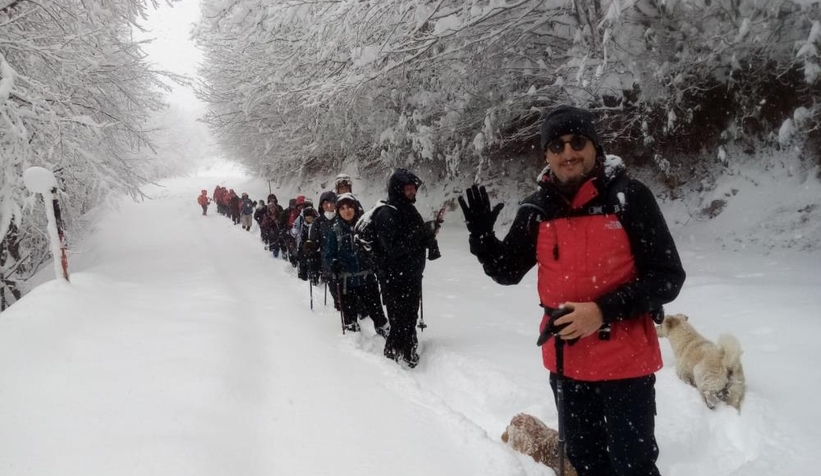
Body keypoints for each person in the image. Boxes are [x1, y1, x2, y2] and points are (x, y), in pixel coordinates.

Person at [458, 105, 686, 476]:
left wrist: (602, 310)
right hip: (568, 364)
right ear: (546, 155)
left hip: (626, 363)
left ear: (595, 146)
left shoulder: (628, 198)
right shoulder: (537, 209)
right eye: (557, 145)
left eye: (577, 142)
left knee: (634, 467)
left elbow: (667, 277)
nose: (568, 152)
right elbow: (507, 271)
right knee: (586, 462)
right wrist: (483, 239)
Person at [371, 168, 441, 367]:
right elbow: (393, 248)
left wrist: (429, 234)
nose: (412, 192)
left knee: (410, 317)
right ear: (398, 189)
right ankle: (393, 355)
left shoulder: (410, 210)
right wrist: (421, 234)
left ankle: (408, 351)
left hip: (411, 275)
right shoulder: (386, 213)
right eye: (408, 189)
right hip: (394, 277)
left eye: (413, 188)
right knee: (399, 319)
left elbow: (414, 240)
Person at [324, 193, 390, 335]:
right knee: (349, 314)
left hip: (368, 278)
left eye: (349, 207)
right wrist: (333, 263)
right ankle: (352, 335)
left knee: (376, 311)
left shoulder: (365, 227)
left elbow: (377, 247)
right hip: (346, 281)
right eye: (342, 208)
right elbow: (329, 254)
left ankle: (384, 329)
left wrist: (376, 261)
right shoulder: (335, 231)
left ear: (355, 208)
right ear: (338, 211)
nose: (346, 211)